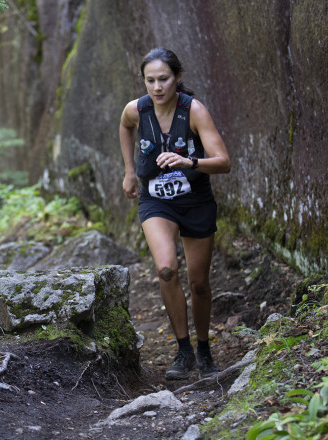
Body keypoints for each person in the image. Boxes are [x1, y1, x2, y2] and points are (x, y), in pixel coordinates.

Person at [119, 48, 230, 380]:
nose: (157, 87)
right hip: (157, 201)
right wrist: (128, 171)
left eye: (163, 79)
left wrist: (189, 162)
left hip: (196, 200)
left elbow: (223, 161)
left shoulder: (194, 111)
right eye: (150, 80)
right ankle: (183, 351)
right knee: (166, 269)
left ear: (177, 78)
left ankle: (204, 349)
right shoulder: (136, 109)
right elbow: (125, 127)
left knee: (198, 283)